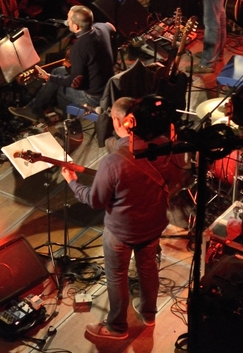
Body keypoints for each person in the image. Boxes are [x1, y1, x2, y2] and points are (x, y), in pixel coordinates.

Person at [60, 96, 188, 339]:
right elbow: (176, 181)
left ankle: (117, 327)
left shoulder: (113, 162)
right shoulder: (168, 147)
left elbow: (96, 201)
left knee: (116, 276)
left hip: (122, 231)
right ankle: (149, 315)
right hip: (154, 225)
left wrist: (73, 182)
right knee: (148, 268)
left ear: (121, 122)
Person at [8, 5, 114, 122]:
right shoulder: (101, 28)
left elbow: (75, 83)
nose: (66, 21)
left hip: (94, 96)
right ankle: (33, 110)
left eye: (68, 19)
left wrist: (47, 77)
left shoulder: (79, 48)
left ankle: (75, 126)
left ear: (76, 26)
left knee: (60, 91)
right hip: (108, 85)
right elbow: (112, 27)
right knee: (58, 71)